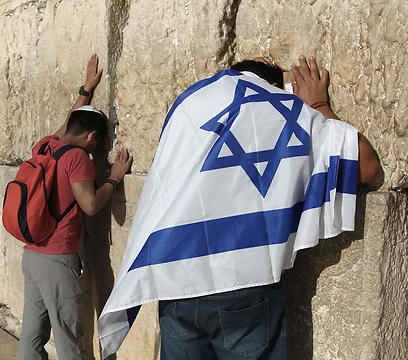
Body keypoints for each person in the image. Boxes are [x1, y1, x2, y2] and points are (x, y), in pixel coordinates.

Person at [96, 55, 380, 360]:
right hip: (243, 283)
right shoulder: (291, 111)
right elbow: (368, 167)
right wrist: (319, 107)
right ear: (278, 85)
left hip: (176, 278)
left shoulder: (190, 102)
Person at [19, 54, 133, 360]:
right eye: (97, 143)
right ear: (93, 136)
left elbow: (71, 122)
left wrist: (86, 90)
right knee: (71, 342)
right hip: (58, 261)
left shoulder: (45, 145)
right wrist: (113, 177)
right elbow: (91, 204)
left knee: (31, 337)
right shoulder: (77, 157)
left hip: (32, 255)